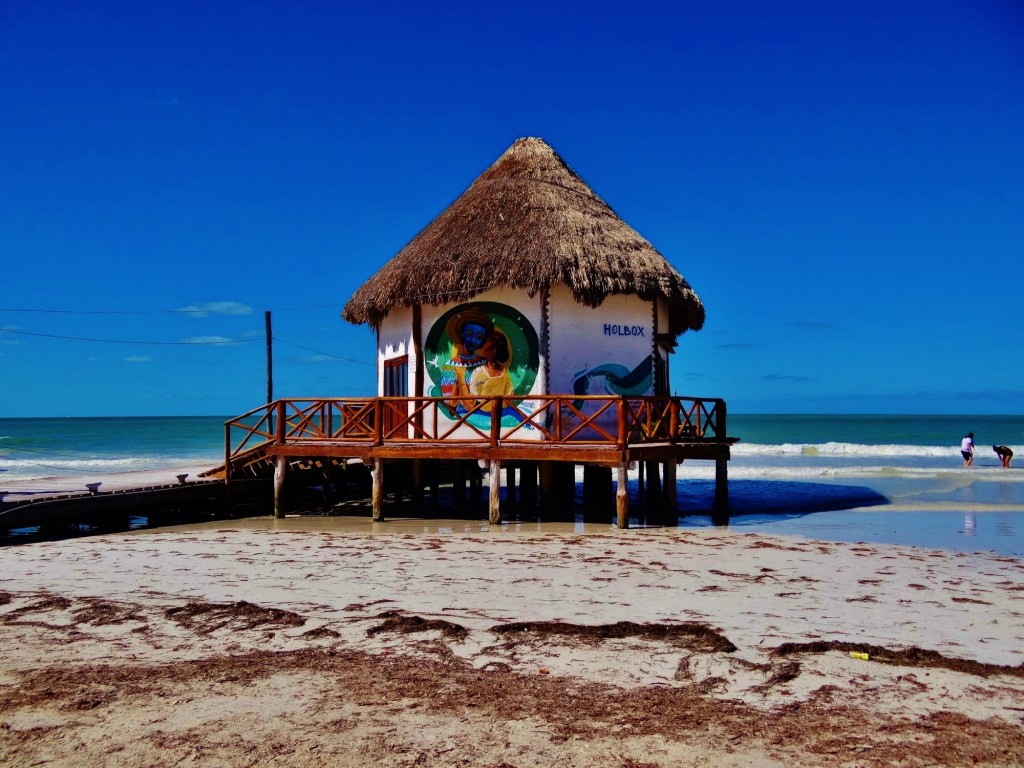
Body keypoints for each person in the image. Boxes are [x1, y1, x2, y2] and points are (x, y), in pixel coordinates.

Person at [438, 307, 493, 410]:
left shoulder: (485, 363)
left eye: (479, 337)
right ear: (462, 333)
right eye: (470, 334)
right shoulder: (449, 366)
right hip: (460, 418)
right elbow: (452, 403)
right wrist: (459, 379)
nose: (473, 340)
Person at [469, 330, 515, 399]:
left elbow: (509, 394)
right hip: (483, 408)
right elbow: (473, 394)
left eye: (489, 348)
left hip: (501, 408)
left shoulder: (504, 371)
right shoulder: (479, 371)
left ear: (494, 350)